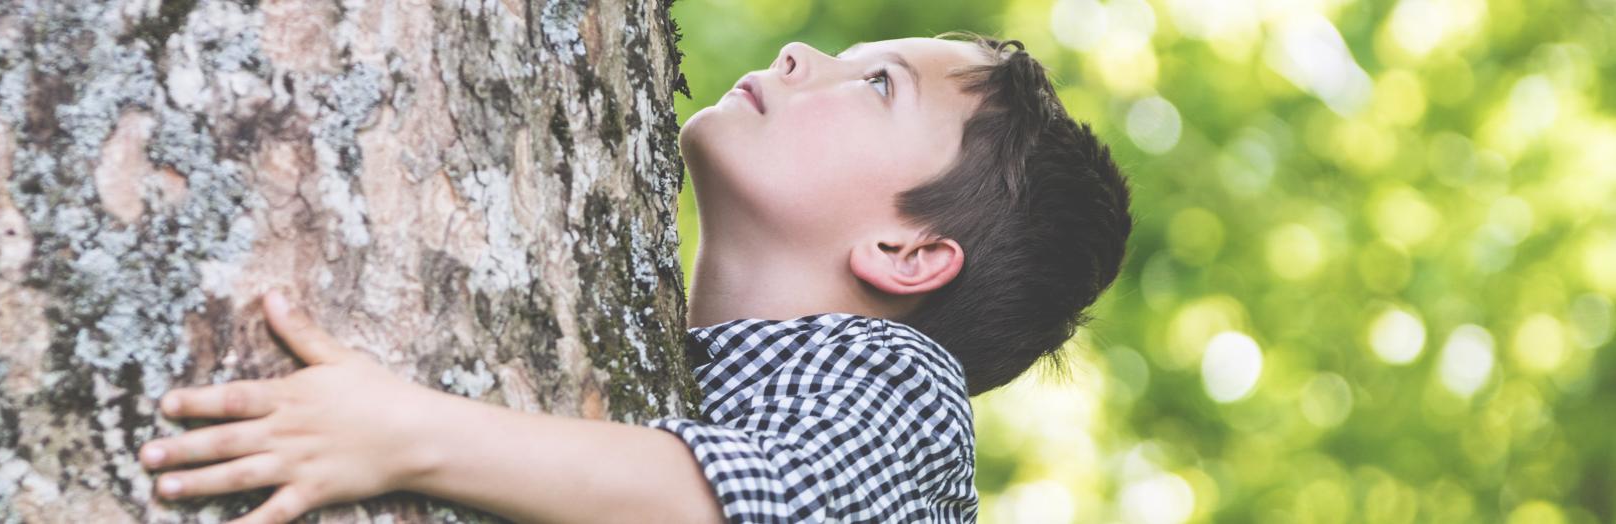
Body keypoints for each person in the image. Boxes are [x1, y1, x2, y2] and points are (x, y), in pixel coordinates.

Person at [133, 32, 1133, 523]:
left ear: (907, 254)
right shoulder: (673, 363)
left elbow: (749, 505)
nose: (800, 52)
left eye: (877, 84)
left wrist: (407, 432)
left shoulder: (909, 391)